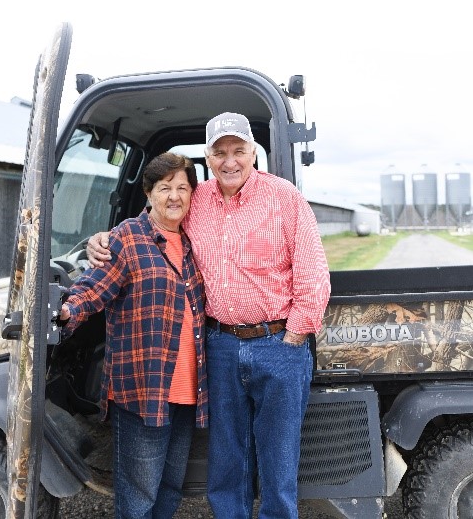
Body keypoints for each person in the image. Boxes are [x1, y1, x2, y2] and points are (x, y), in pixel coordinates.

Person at [87, 112, 330, 519]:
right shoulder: (196, 201)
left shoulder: (285, 198)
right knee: (227, 459)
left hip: (278, 346)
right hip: (219, 346)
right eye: (220, 152)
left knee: (279, 460)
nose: (230, 160)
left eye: (238, 150)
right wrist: (103, 240)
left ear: (253, 152)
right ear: (208, 156)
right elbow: (154, 223)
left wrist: (291, 339)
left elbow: (313, 276)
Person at [59, 152, 207, 519]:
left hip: (188, 389)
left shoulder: (193, 242)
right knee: (139, 494)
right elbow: (92, 288)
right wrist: (65, 312)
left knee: (170, 487)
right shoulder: (127, 238)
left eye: (182, 187)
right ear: (148, 193)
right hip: (145, 389)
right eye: (164, 188)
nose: (175, 196)